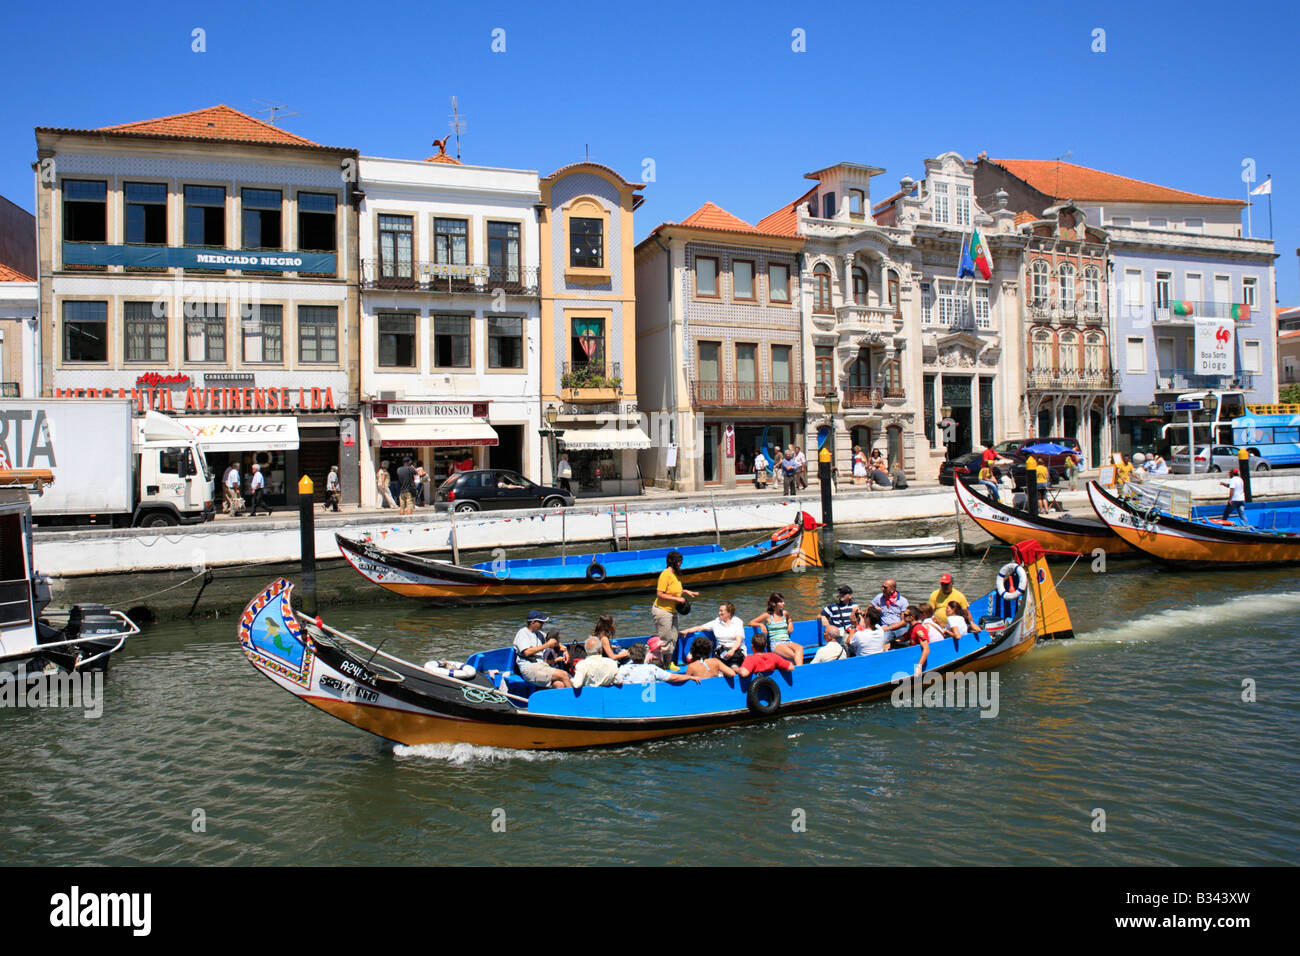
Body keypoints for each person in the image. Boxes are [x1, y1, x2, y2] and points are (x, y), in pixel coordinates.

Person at [651, 550, 697, 664]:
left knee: (674, 636)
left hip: (673, 611)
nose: (680, 564)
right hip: (662, 611)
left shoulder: (675, 575)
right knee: (665, 638)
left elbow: (674, 590)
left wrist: (685, 592)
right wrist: (678, 599)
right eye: (679, 562)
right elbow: (660, 594)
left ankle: (669, 661)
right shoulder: (665, 575)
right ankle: (665, 664)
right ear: (674, 563)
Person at [513, 610, 571, 689]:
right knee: (563, 674)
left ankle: (561, 701)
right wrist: (547, 645)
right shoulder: (523, 633)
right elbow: (527, 652)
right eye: (540, 622)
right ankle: (575, 701)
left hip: (542, 666)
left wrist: (564, 650)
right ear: (533, 622)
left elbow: (553, 640)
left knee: (559, 684)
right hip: (530, 668)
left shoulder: (539, 633)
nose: (542, 624)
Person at [748, 592, 803, 666]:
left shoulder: (785, 613)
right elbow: (751, 622)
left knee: (800, 648)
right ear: (774, 604)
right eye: (781, 602)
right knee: (793, 655)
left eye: (783, 601)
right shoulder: (767, 615)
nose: (784, 603)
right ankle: (800, 671)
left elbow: (790, 630)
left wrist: (790, 622)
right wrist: (761, 625)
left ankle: (799, 670)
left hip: (787, 641)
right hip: (776, 643)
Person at [681, 602, 746, 664]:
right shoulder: (716, 622)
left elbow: (739, 641)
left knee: (733, 666)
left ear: (729, 613)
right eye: (719, 611)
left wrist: (732, 650)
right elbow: (700, 628)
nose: (719, 613)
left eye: (721, 611)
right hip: (721, 651)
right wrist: (686, 631)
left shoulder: (737, 622)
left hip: (736, 650)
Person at [616, 643, 700, 685]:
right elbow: (673, 677)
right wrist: (689, 677)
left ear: (630, 655)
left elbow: (615, 681)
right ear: (644, 655)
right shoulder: (652, 668)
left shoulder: (623, 668)